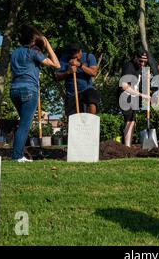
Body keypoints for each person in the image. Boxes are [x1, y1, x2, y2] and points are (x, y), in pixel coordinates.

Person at [10, 25, 60, 162]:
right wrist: (48, 44)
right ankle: (17, 156)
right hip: (29, 90)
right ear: (34, 40)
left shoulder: (14, 52)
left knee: (23, 124)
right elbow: (57, 64)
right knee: (25, 125)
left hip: (13, 90)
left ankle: (19, 152)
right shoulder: (34, 52)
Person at [55, 43, 99, 116]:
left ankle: (91, 121)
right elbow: (57, 77)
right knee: (71, 118)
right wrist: (68, 72)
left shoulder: (89, 57)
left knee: (92, 99)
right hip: (71, 93)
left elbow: (94, 73)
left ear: (80, 51)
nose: (76, 56)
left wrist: (80, 65)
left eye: (77, 53)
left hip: (86, 89)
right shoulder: (64, 59)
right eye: (73, 54)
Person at [119, 50, 151, 147]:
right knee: (128, 120)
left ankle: (128, 145)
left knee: (132, 121)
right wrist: (141, 95)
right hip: (125, 96)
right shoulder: (129, 66)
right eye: (140, 61)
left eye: (145, 61)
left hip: (134, 97)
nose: (142, 63)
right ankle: (127, 147)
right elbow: (123, 86)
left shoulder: (141, 67)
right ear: (135, 58)